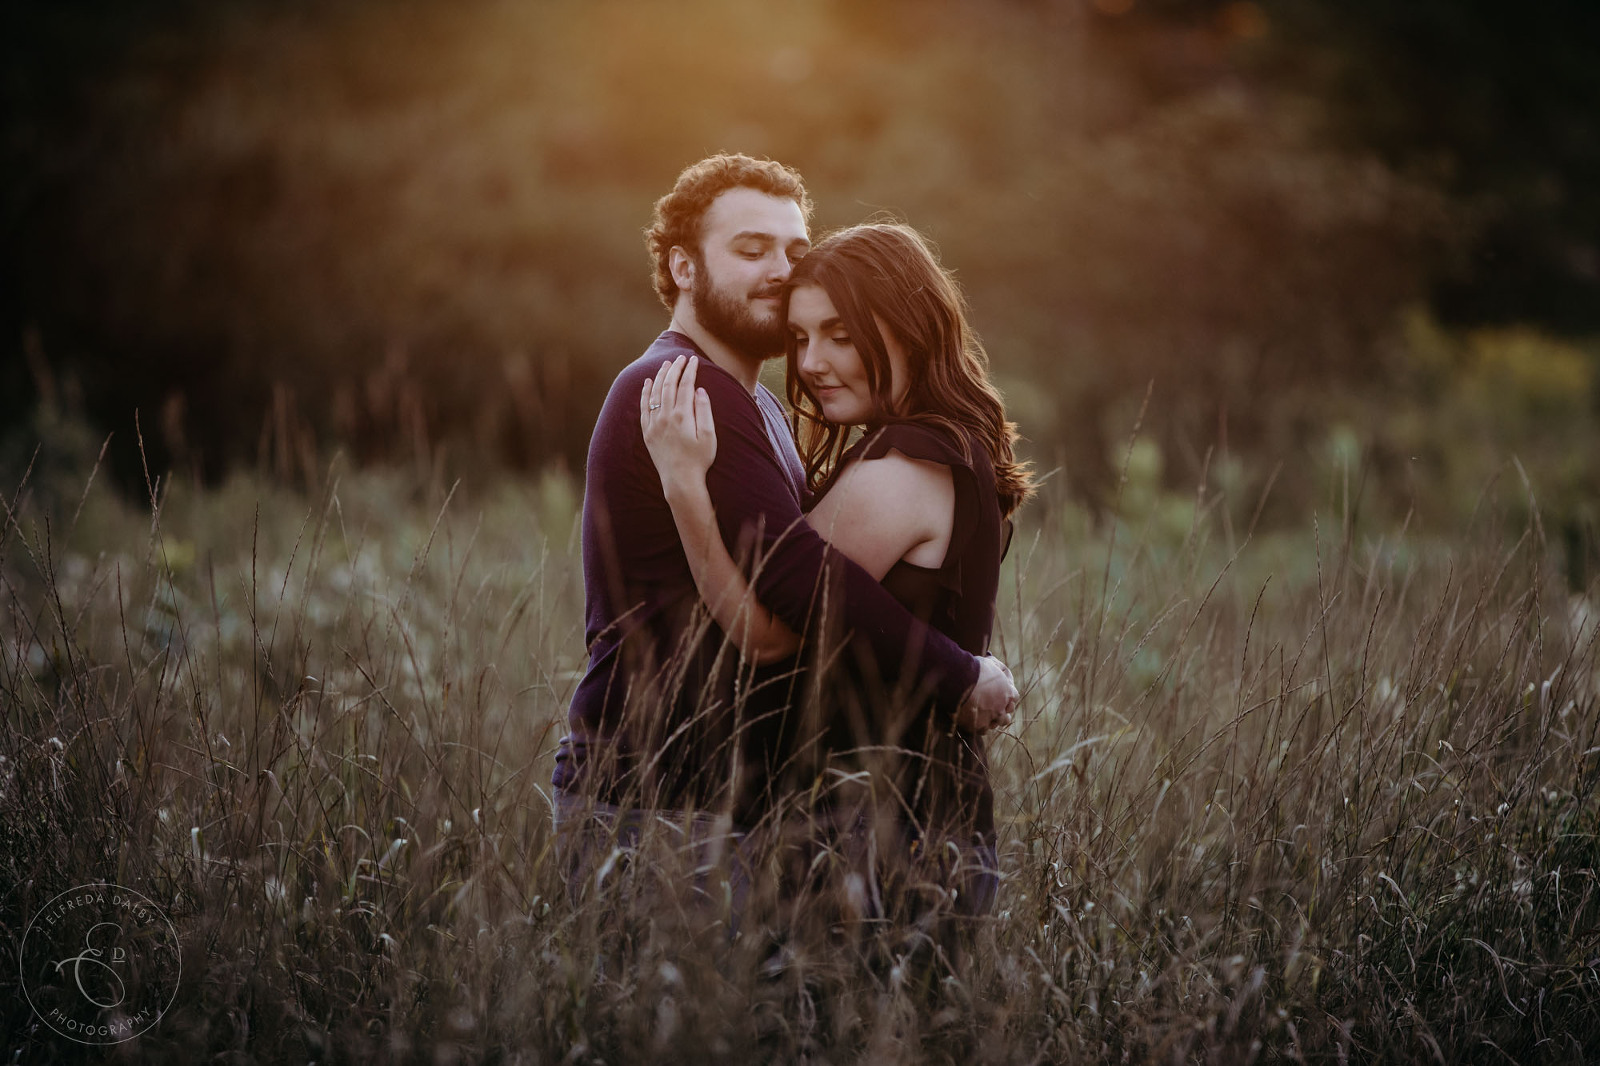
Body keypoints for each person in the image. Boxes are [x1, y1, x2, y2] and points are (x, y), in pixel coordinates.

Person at [551, 155, 1019, 909]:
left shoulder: (759, 404)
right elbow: (794, 586)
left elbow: (812, 581)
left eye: (794, 250)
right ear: (684, 266)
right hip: (655, 799)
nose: (779, 269)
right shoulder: (683, 387)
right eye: (750, 249)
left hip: (728, 807)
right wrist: (958, 672)